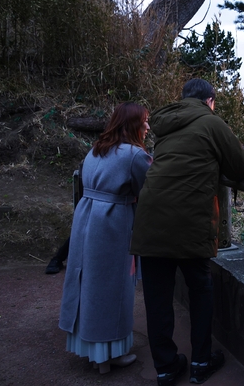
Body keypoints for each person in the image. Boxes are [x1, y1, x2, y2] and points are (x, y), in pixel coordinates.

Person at [130, 79, 244, 386]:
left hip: (150, 220)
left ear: (183, 99)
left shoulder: (166, 124)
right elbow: (239, 168)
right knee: (200, 290)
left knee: (158, 297)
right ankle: (200, 362)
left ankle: (165, 367)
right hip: (189, 222)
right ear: (210, 101)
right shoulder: (211, 122)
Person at [59, 102, 152, 374]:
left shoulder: (95, 150)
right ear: (132, 124)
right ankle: (109, 355)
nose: (147, 127)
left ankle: (94, 352)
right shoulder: (135, 155)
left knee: (88, 282)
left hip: (86, 218)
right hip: (113, 222)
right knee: (112, 287)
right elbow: (148, 191)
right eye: (144, 121)